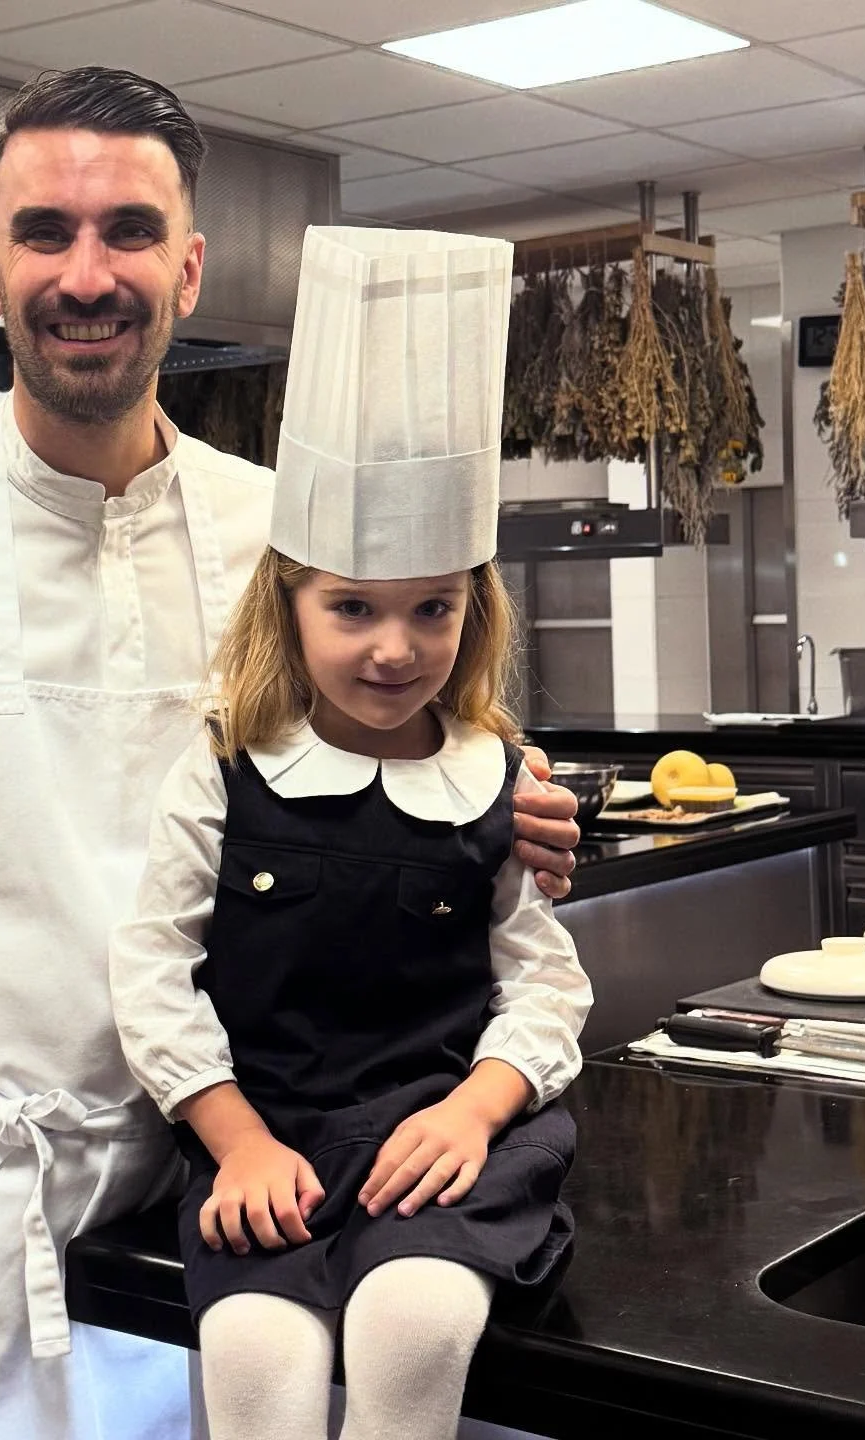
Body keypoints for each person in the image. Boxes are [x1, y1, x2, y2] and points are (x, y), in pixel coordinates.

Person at [0, 69, 582, 1440]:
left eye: (126, 231)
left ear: (187, 269)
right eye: (46, 233)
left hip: (239, 1202)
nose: (86, 272)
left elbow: (417, 750)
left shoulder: (288, 545)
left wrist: (505, 816)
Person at [110, 226, 593, 1440]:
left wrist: (479, 1108)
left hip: (446, 1144)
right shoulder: (226, 766)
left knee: (413, 1322)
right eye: (354, 610)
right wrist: (232, 1145)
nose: (396, 647)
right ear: (292, 603)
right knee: (256, 1351)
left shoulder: (491, 775)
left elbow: (546, 985)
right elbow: (151, 972)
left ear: (473, 611)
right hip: (270, 1140)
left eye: (433, 609)